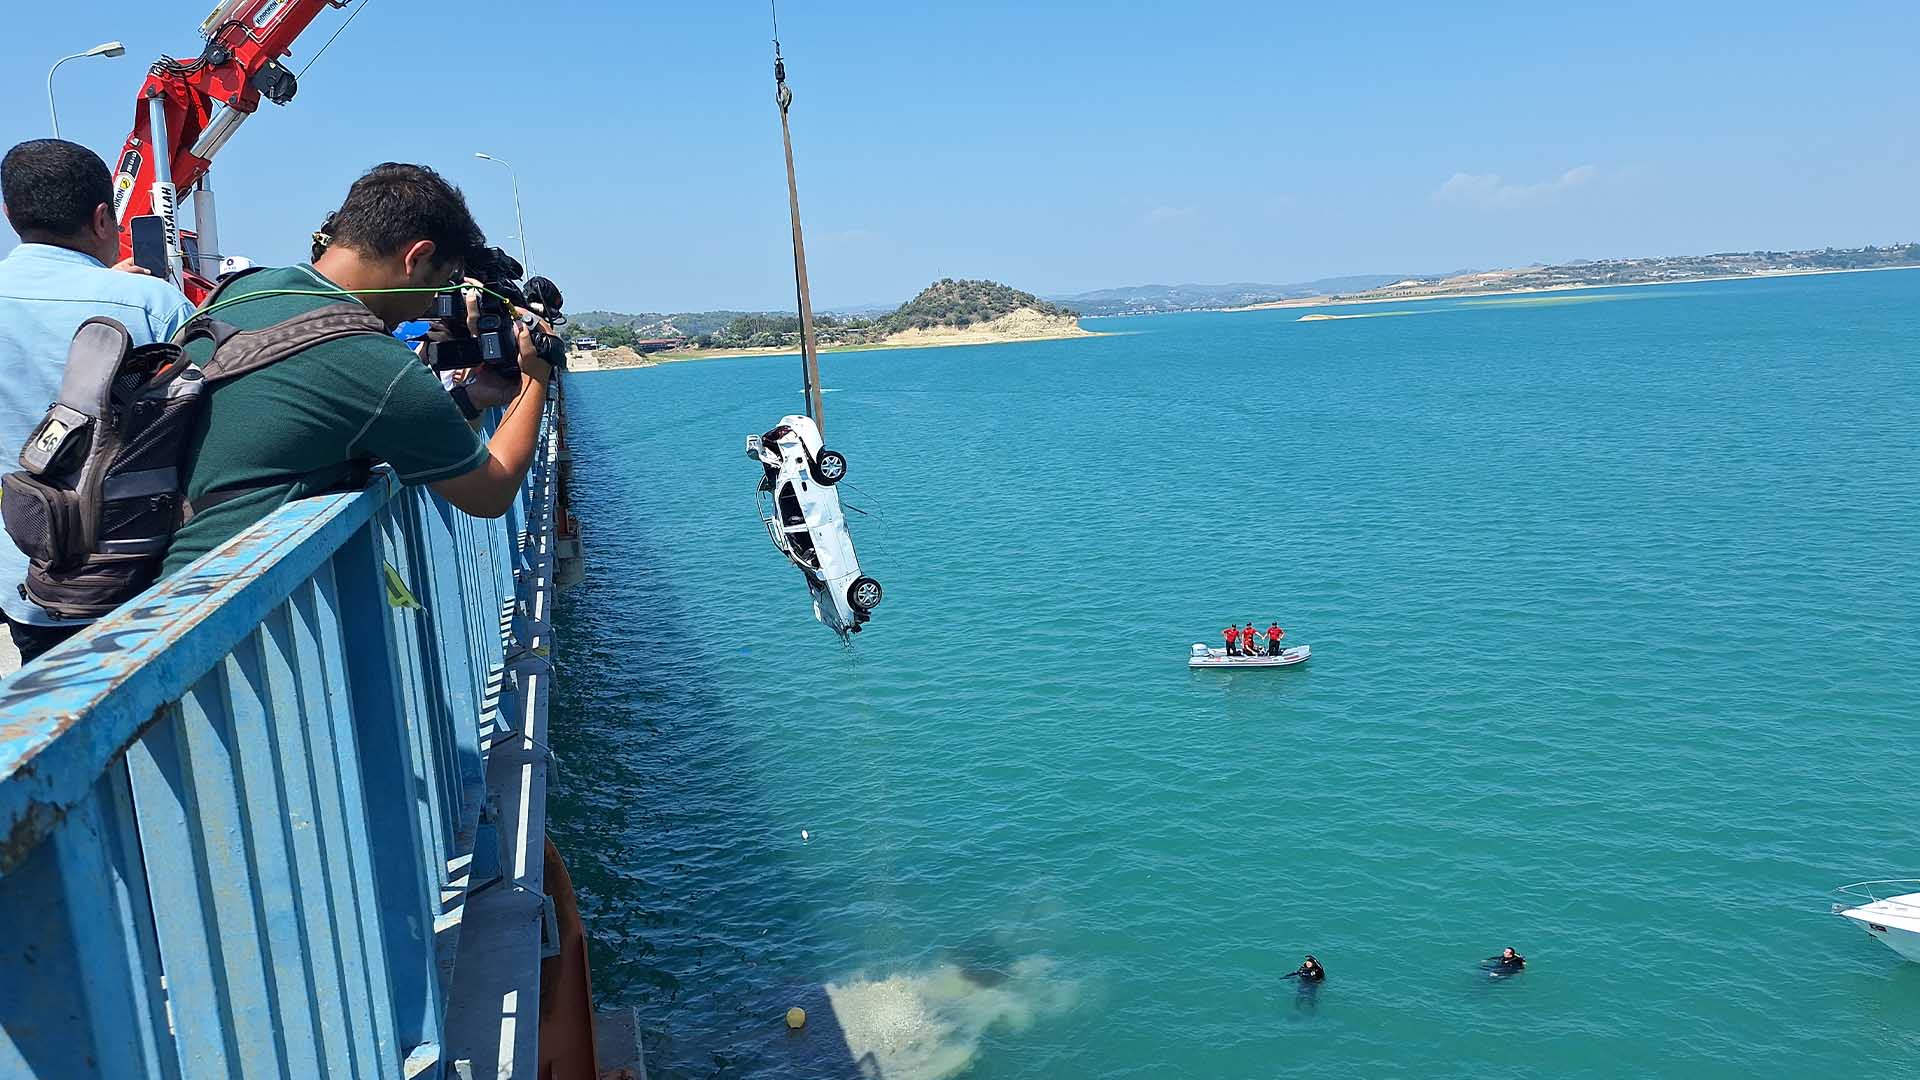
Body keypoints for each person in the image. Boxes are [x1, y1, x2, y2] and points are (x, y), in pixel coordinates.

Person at [161, 163, 549, 578]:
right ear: (416, 257)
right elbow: (490, 492)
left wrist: (474, 395)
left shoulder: (243, 288)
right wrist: (535, 378)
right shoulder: (369, 357)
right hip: (235, 608)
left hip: (152, 585)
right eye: (437, 285)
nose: (429, 304)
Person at [0, 139, 198, 670]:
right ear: (104, 217)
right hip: (139, 575)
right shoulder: (151, 303)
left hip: (24, 579)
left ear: (10, 213)